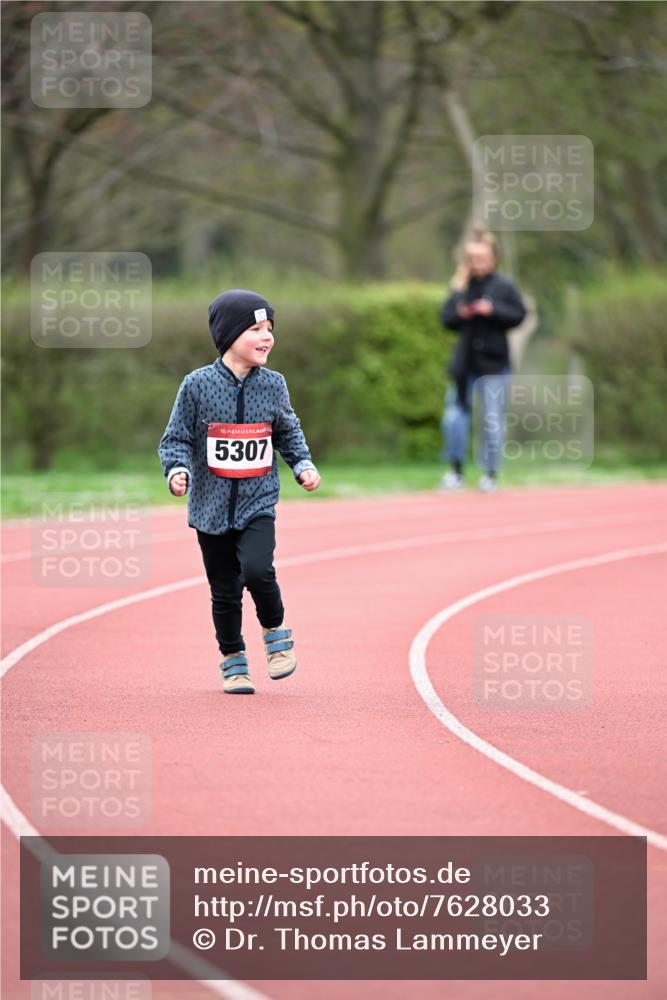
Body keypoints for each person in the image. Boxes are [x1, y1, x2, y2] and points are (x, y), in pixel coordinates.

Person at [158, 288, 320, 694]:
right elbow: (176, 438)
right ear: (229, 335)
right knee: (225, 592)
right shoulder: (196, 385)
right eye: (256, 329)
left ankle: (275, 632)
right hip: (209, 508)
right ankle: (233, 660)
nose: (267, 337)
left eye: (270, 329)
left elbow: (287, 430)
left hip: (257, 500)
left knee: (259, 570)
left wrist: (302, 463)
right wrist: (177, 470)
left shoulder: (274, 385)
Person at [439, 233, 526, 493]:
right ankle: (456, 471)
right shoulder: (460, 286)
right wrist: (461, 312)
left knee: (492, 420)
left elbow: (519, 315)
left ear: (493, 258)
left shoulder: (504, 286)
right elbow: (445, 318)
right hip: (464, 364)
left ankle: (490, 474)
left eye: (482, 257)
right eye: (472, 258)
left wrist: (493, 310)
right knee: (454, 418)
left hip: (494, 365)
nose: (476, 262)